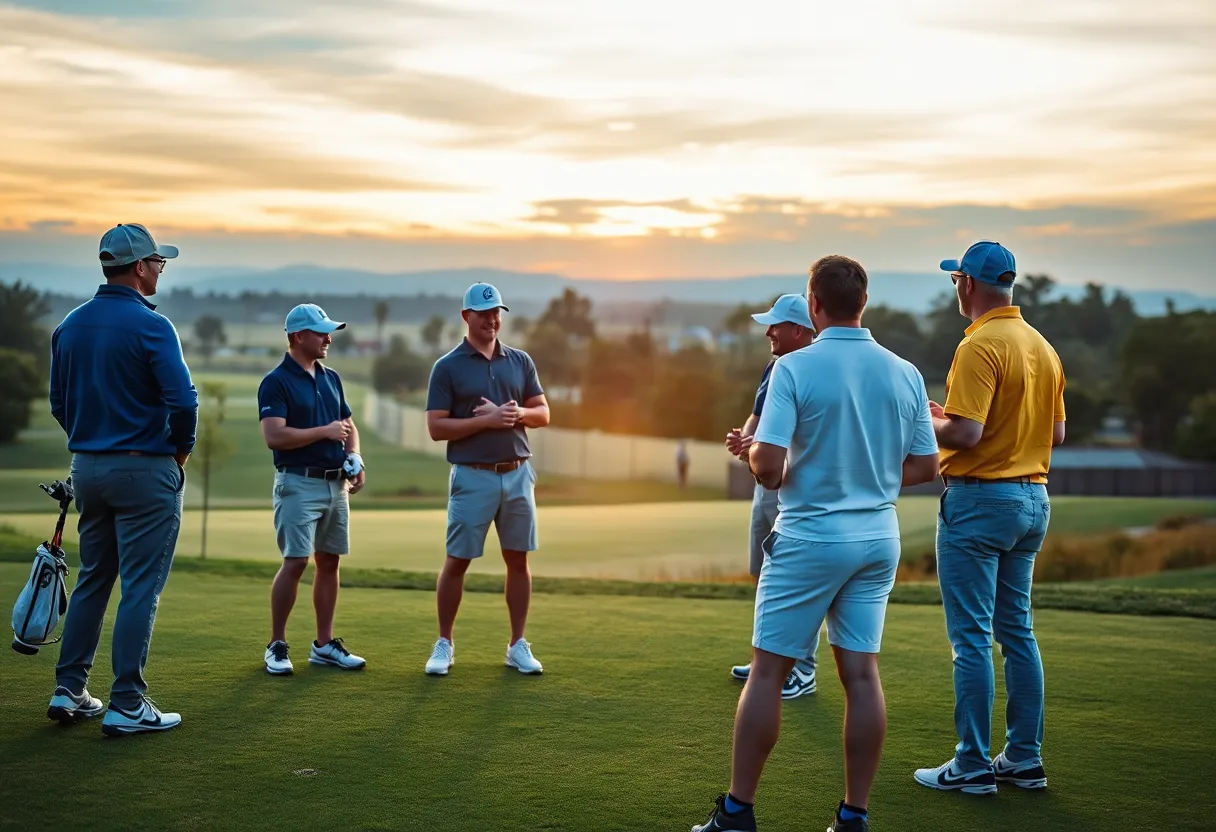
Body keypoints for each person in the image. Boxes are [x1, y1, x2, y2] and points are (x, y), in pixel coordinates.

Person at [693, 256, 939, 832]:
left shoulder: (794, 369)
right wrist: (868, 475)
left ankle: (737, 814)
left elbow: (771, 467)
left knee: (768, 673)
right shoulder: (905, 371)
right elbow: (927, 466)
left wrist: (755, 453)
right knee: (861, 675)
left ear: (813, 305)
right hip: (878, 539)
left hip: (809, 538)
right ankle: (854, 816)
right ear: (862, 303)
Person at [913, 241, 1065, 795]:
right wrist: (951, 419)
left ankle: (972, 766)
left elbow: (967, 433)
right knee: (1017, 634)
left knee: (971, 640)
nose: (955, 287)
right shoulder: (1041, 346)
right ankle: (1023, 759)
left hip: (979, 502)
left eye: (956, 280)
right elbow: (1057, 435)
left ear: (968, 285)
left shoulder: (979, 344)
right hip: (1033, 501)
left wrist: (926, 420)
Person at [46, 223, 197, 736]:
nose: (160, 269)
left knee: (94, 577)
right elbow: (183, 400)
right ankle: (127, 701)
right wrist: (180, 450)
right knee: (139, 587)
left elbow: (59, 405)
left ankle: (69, 688)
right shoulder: (154, 326)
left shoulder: (69, 325)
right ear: (138, 267)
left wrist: (91, 444)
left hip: (87, 468)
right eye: (157, 262)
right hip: (145, 467)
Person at [423, 283, 551, 676]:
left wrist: (512, 416)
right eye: (484, 314)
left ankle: (517, 645)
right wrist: (485, 421)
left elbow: (542, 412)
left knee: (518, 560)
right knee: (457, 561)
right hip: (472, 475)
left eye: (497, 313)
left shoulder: (520, 360)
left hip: (516, 472)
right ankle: (444, 644)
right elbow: (436, 427)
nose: (492, 320)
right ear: (466, 317)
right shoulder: (447, 367)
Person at [258, 303, 368, 676]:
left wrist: (355, 457)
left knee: (330, 561)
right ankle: (276, 644)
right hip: (297, 483)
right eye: (321, 332)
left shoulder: (331, 377)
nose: (328, 338)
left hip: (335, 484)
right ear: (297, 337)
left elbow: (348, 425)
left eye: (328, 331)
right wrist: (323, 432)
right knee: (296, 562)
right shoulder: (276, 381)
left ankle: (324, 644)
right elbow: (275, 435)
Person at [725, 293, 818, 700]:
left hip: (795, 489)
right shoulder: (775, 366)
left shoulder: (808, 368)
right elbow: (758, 417)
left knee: (798, 579)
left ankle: (804, 668)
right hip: (766, 483)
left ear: (798, 330)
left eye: (776, 326)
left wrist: (757, 446)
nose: (768, 332)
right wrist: (746, 441)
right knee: (765, 574)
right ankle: (768, 662)